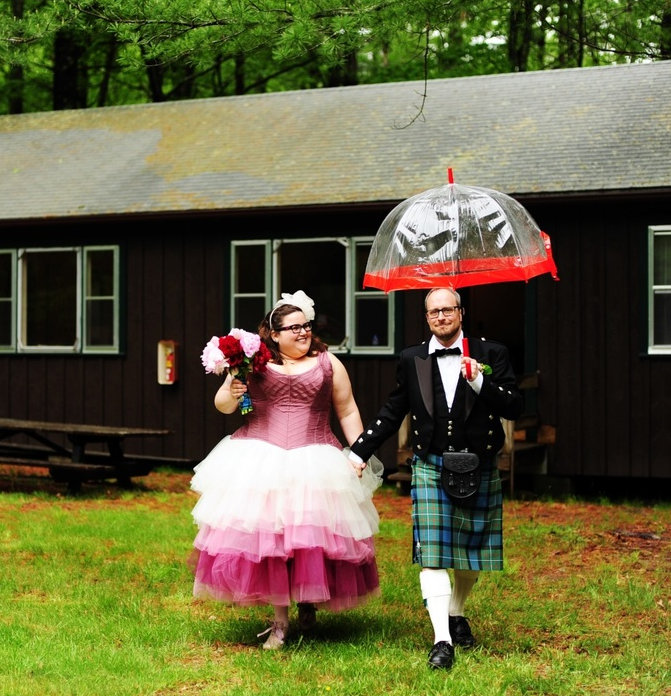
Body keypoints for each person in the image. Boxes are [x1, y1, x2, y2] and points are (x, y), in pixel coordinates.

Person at [191, 290, 384, 650]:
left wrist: (358, 454)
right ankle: (280, 622)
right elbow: (223, 406)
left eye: (307, 326)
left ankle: (309, 600)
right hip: (261, 458)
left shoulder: (329, 363)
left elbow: (347, 411)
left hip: (316, 459)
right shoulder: (252, 363)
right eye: (294, 327)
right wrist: (233, 389)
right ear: (273, 333)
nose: (303, 332)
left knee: (311, 539)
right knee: (272, 542)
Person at [349, 287, 524, 670]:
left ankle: (457, 611)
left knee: (471, 554)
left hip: (480, 463)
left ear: (461, 312)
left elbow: (515, 404)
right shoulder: (412, 358)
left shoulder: (491, 352)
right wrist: (359, 450)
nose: (441, 317)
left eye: (448, 310)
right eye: (434, 312)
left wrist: (480, 383)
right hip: (430, 464)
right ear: (426, 317)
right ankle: (442, 639)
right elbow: (395, 408)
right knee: (433, 553)